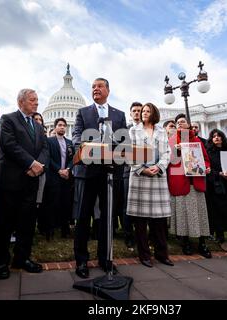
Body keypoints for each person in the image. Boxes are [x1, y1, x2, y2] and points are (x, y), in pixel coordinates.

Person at [72, 77, 127, 278]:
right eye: (93, 86)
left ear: (108, 90)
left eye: (100, 86)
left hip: (111, 173)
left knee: (108, 218)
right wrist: (86, 147)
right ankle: (81, 261)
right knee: (84, 216)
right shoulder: (83, 112)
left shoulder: (119, 115)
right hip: (88, 171)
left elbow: (124, 142)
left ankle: (106, 259)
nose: (95, 89)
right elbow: (77, 136)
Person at [0, 89, 49, 279]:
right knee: (5, 224)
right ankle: (1, 261)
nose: (36, 103)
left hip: (31, 181)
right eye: (32, 100)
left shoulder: (39, 126)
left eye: (37, 100)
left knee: (27, 223)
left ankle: (22, 258)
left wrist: (39, 165)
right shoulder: (8, 120)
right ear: (21, 102)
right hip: (11, 181)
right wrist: (30, 163)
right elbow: (8, 144)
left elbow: (44, 148)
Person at [127, 102, 174, 267]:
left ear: (154, 113)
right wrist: (142, 169)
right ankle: (144, 255)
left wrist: (160, 166)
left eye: (147, 111)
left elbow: (167, 152)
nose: (144, 113)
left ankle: (162, 254)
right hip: (140, 178)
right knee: (140, 221)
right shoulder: (133, 130)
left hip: (157, 178)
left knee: (159, 220)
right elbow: (129, 152)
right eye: (143, 111)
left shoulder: (161, 131)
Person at [168, 114, 212, 258]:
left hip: (196, 181)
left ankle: (202, 242)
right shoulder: (172, 140)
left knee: (200, 213)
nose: (180, 124)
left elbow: (205, 159)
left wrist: (207, 167)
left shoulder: (197, 140)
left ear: (188, 124)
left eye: (183, 122)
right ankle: (185, 241)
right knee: (183, 213)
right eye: (178, 122)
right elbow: (169, 162)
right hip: (180, 181)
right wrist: (176, 150)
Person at [44, 117, 74, 239]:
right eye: (60, 125)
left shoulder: (69, 143)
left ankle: (65, 229)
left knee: (65, 204)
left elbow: (72, 159)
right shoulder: (49, 141)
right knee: (52, 203)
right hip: (54, 176)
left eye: (64, 125)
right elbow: (48, 158)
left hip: (66, 177)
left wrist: (67, 169)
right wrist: (58, 170)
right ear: (55, 127)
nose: (62, 127)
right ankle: (50, 229)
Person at [121, 102, 143, 250]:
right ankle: (128, 235)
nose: (136, 113)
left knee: (143, 205)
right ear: (130, 114)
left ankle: (141, 235)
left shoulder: (149, 130)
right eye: (134, 111)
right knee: (127, 205)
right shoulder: (124, 131)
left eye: (139, 111)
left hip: (146, 172)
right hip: (128, 171)